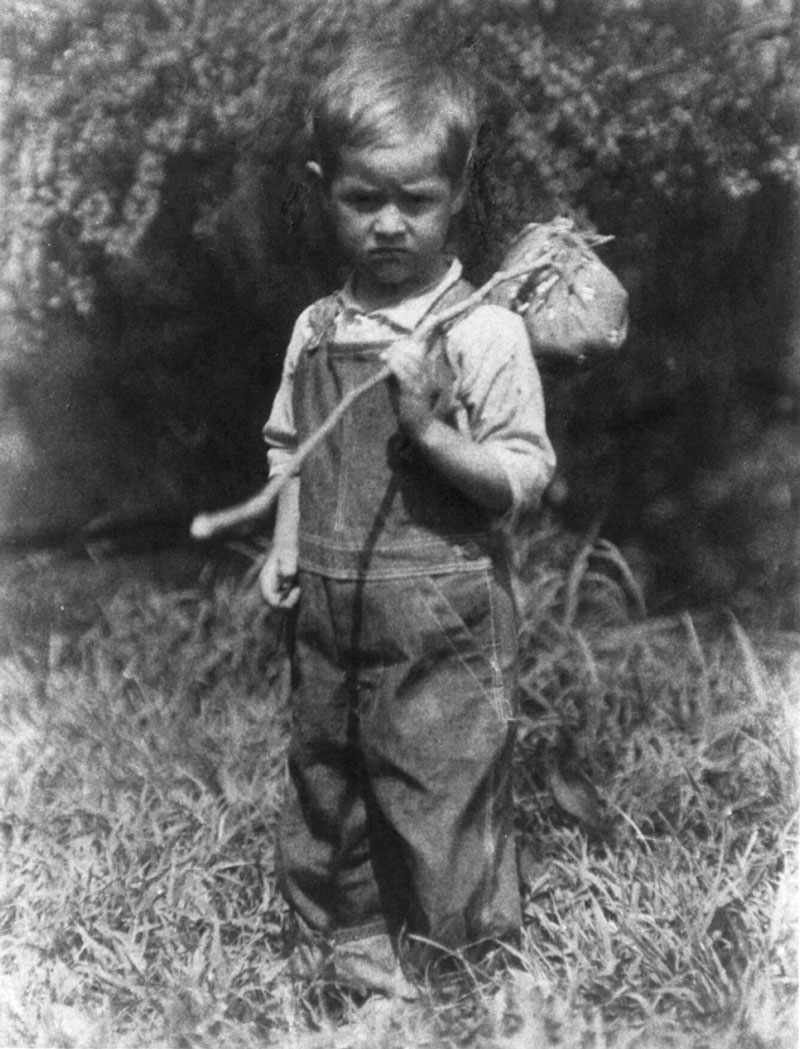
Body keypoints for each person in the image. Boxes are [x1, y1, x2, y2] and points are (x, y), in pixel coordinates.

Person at [259, 38, 556, 1000]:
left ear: (459, 189)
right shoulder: (318, 328)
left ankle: (463, 967)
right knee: (330, 780)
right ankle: (349, 949)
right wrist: (288, 541)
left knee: (441, 784)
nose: (389, 224)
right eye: (362, 199)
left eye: (416, 201)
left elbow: (521, 476)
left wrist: (427, 425)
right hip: (332, 614)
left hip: (444, 616)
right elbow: (290, 446)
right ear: (323, 188)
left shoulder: (482, 331)